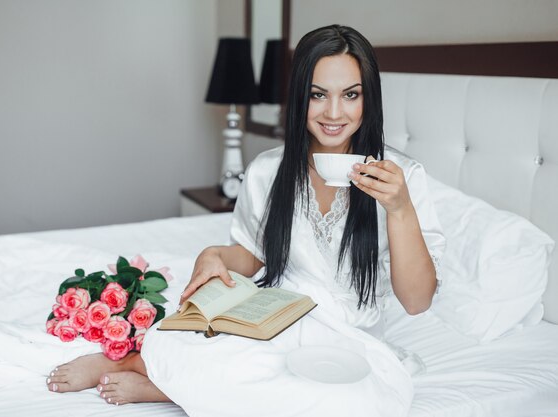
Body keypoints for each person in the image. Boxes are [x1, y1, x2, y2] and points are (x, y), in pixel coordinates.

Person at [46, 24, 445, 416]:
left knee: (349, 403)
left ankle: (166, 388)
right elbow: (252, 257)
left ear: (368, 98)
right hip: (278, 314)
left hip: (349, 338)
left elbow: (416, 301)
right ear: (298, 97)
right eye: (317, 95)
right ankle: (142, 366)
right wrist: (214, 255)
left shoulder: (402, 177)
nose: (334, 113)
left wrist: (400, 209)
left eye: (351, 95)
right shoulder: (268, 170)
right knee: (173, 342)